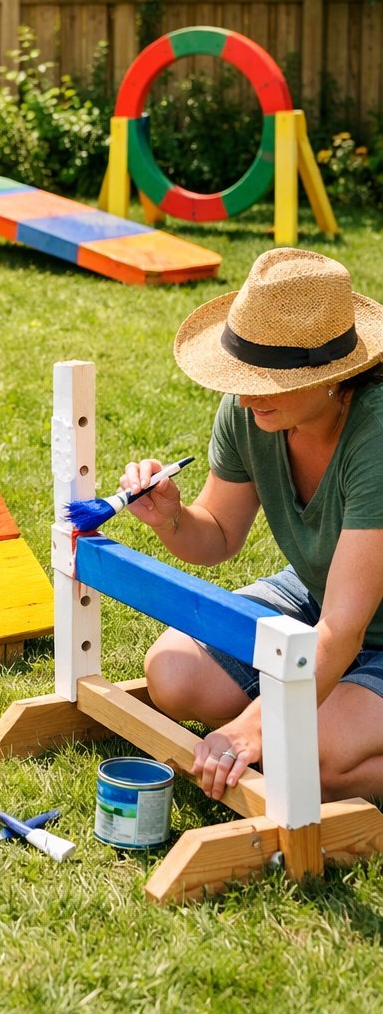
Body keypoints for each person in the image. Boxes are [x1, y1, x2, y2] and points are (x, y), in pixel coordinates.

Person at [121, 247, 383, 805]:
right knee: (171, 674)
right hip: (321, 598)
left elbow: (344, 626)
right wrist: (170, 515)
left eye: (263, 377)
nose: (242, 394)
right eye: (240, 373)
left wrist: (253, 727)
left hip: (351, 621)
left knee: (303, 760)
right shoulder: (250, 411)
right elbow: (216, 533)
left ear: (332, 375)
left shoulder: (377, 433)